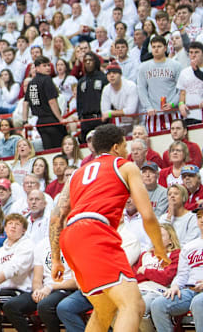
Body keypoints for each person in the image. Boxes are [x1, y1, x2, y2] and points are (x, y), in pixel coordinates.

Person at [49, 124, 169, 331]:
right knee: (133, 304)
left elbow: (55, 218)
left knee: (105, 309)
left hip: (71, 236)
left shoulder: (77, 174)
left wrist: (56, 259)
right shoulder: (126, 166)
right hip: (95, 231)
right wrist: (159, 248)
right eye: (125, 146)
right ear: (116, 147)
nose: (127, 151)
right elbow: (148, 215)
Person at [22, 56, 68, 150]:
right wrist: (60, 119)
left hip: (40, 123)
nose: (48, 68)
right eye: (44, 66)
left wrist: (25, 121)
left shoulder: (31, 83)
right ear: (37, 68)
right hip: (52, 120)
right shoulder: (47, 80)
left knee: (48, 150)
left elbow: (25, 103)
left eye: (48, 65)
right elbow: (52, 101)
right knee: (60, 149)